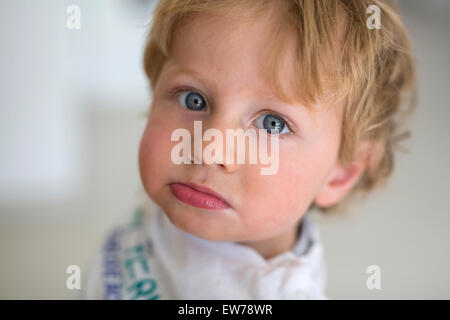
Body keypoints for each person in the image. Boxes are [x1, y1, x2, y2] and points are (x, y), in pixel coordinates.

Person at [83, 0, 416, 299]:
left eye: (272, 124)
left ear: (340, 174)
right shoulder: (181, 198)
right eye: (193, 99)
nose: (209, 149)